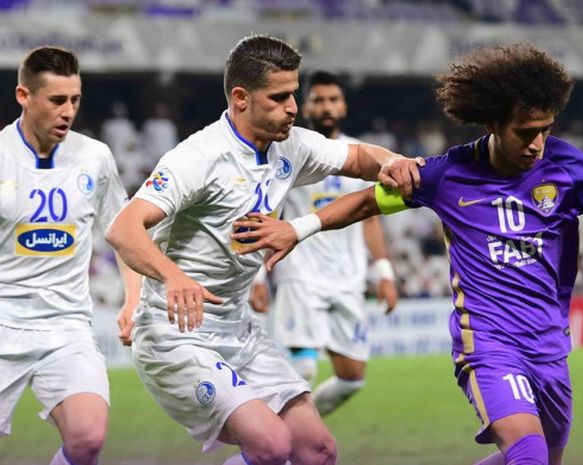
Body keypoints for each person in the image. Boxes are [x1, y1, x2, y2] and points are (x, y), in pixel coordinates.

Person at [231, 43, 583, 465]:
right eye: (525, 131)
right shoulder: (446, 174)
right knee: (529, 455)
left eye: (546, 129)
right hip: (488, 343)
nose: (537, 143)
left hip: (550, 346)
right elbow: (368, 201)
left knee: (543, 458)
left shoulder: (570, 167)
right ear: (494, 124)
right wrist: (298, 227)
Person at [105, 35, 419, 465]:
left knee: (318, 451)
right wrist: (172, 276)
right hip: (175, 334)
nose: (294, 106)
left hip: (239, 329)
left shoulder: (289, 145)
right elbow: (123, 228)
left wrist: (393, 163)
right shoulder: (199, 157)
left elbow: (359, 156)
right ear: (240, 98)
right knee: (271, 445)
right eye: (280, 97)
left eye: (294, 93)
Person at [0, 46, 141, 465]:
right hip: (3, 321)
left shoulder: (95, 157)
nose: (68, 111)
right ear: (24, 96)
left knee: (87, 439)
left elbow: (124, 232)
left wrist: (133, 298)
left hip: (66, 327)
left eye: (75, 100)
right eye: (57, 100)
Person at [251, 70, 399, 416]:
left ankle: (293, 430)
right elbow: (266, 216)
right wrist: (258, 278)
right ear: (306, 108)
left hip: (348, 279)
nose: (327, 106)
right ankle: (286, 444)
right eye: (318, 100)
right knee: (301, 370)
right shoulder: (288, 155)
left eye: (333, 99)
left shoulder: (358, 156)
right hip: (300, 276)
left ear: (344, 106)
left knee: (352, 378)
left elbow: (370, 217)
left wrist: (384, 273)